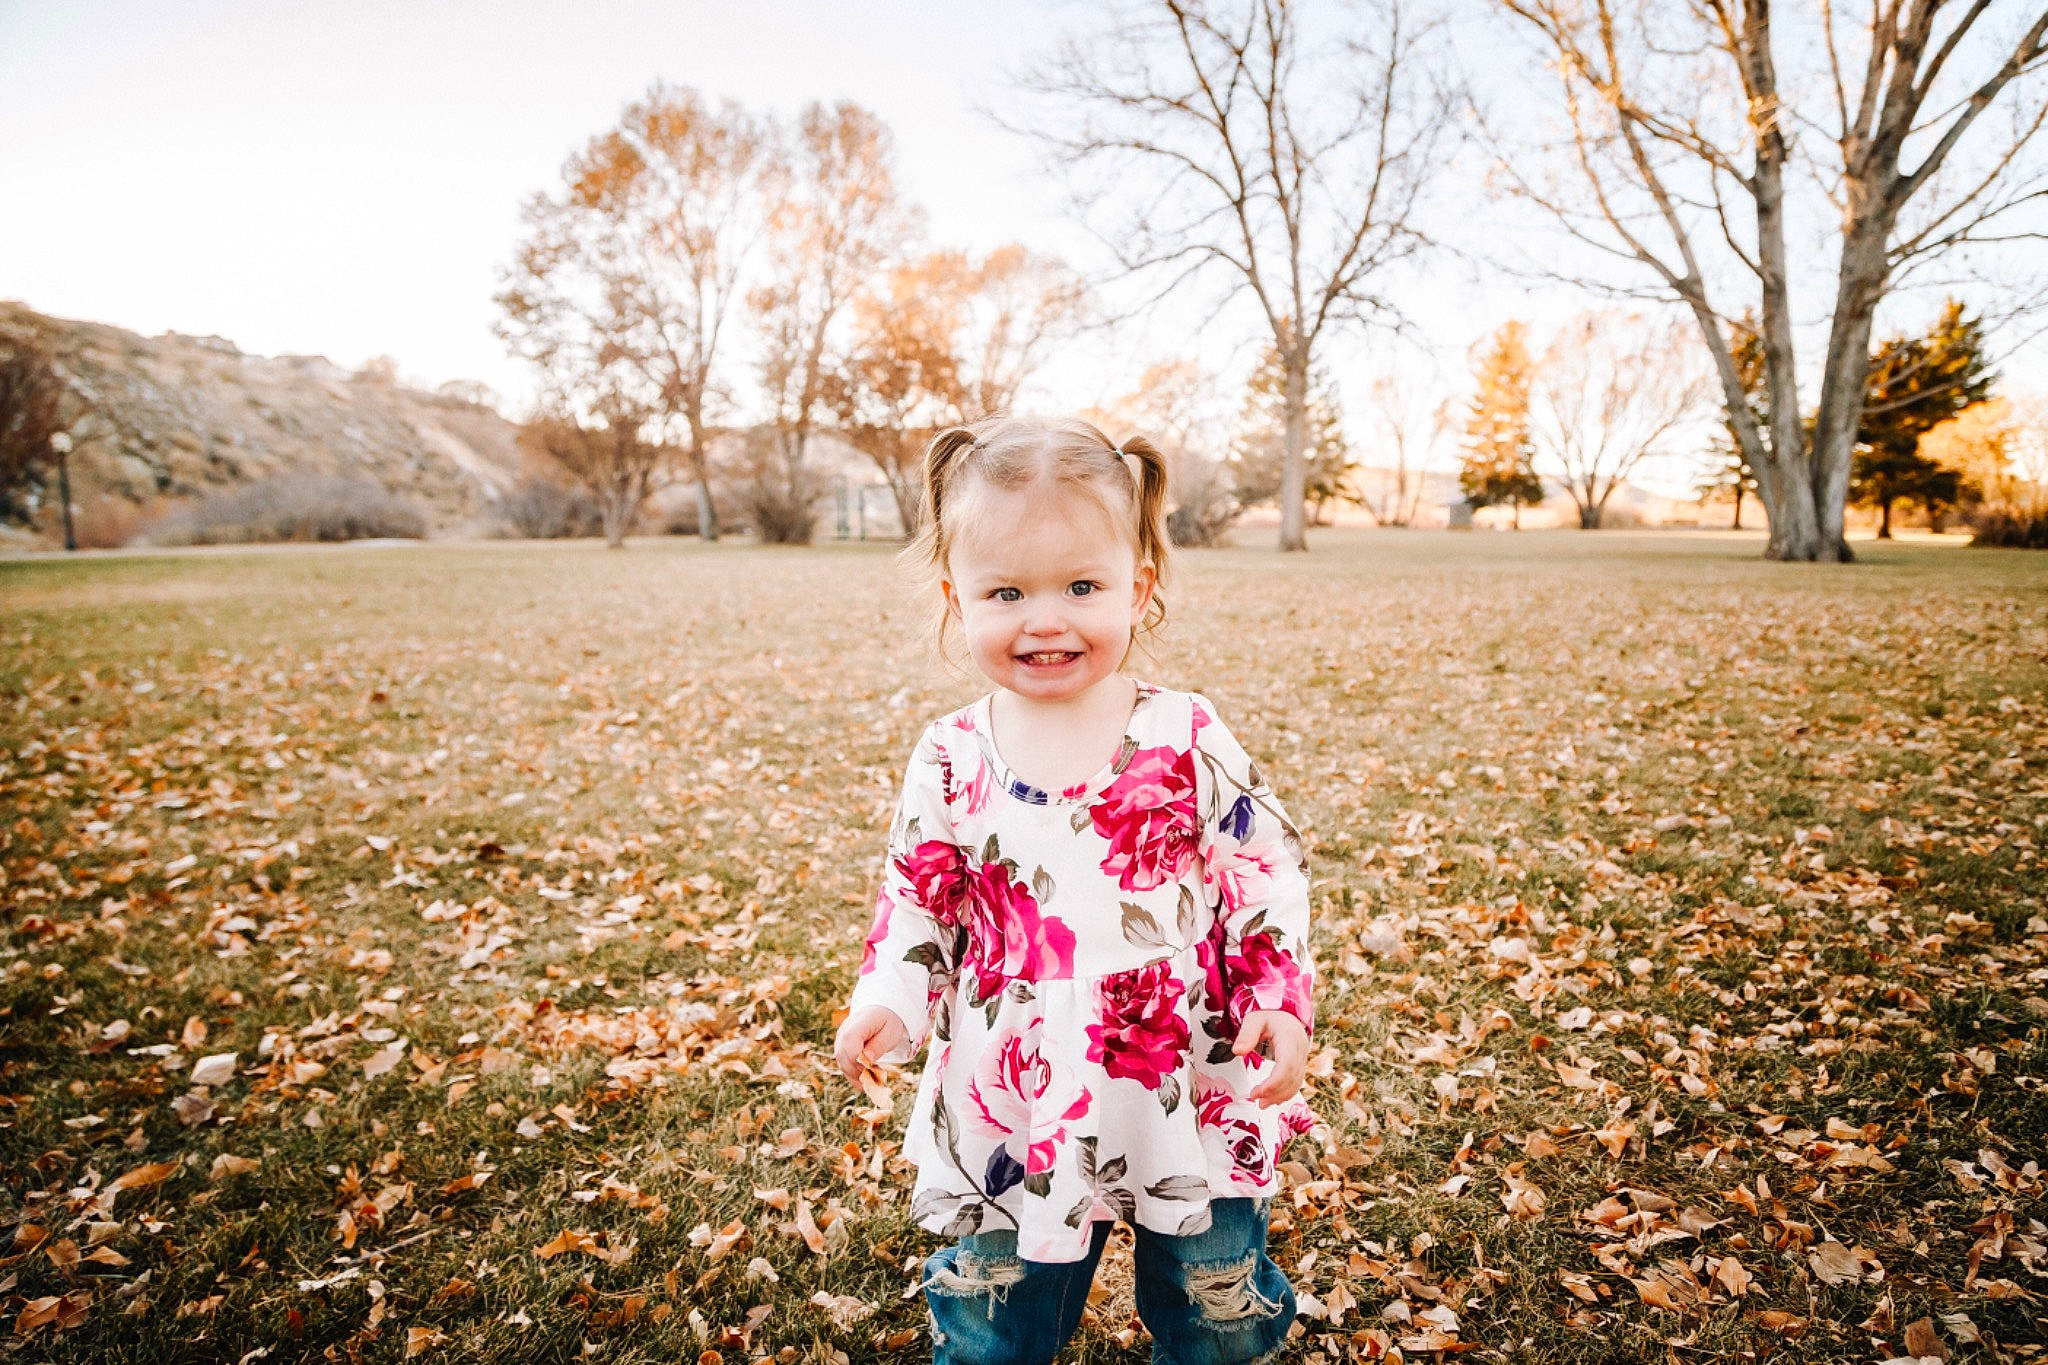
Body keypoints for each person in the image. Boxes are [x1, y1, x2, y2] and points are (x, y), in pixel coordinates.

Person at [834, 414, 1316, 1364]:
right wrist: (890, 996)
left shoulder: (1183, 733)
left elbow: (1261, 867)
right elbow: (919, 898)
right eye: (1007, 590)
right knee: (993, 1325)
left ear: (1137, 589)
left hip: (1183, 1070)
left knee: (1215, 1310)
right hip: (1010, 1088)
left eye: (1081, 586)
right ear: (954, 598)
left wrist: (1276, 999)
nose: (1045, 618)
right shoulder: (950, 755)